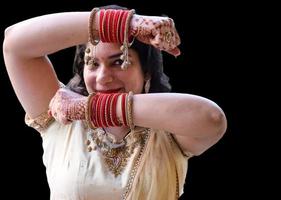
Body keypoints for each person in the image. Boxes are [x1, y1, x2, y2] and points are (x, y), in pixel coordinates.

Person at [3, 4, 227, 200]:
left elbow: (212, 119)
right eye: (92, 63)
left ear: (147, 72)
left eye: (119, 61)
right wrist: (128, 23)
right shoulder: (61, 117)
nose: (102, 78)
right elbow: (14, 43)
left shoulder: (168, 132)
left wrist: (89, 109)